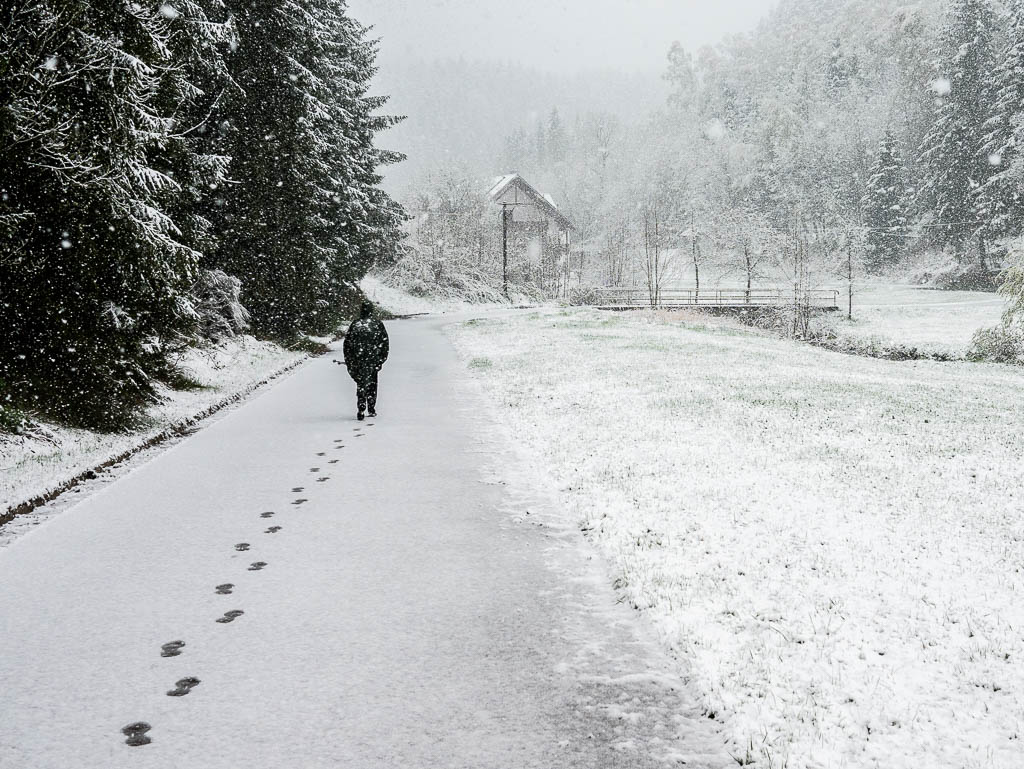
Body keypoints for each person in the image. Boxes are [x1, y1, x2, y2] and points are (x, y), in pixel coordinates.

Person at [342, 300, 389, 420]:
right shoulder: (377, 324)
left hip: (358, 359)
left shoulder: (355, 324)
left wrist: (349, 360)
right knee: (372, 383)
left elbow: (347, 344)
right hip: (372, 359)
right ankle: (371, 407)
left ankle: (361, 406)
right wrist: (381, 359)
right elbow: (384, 343)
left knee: (361, 383)